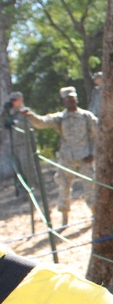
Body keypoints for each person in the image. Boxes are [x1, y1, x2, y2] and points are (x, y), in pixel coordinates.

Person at [21, 87, 99, 226]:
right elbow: (42, 122)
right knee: (63, 187)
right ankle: (65, 218)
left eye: (72, 98)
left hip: (85, 158)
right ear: (63, 102)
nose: (71, 101)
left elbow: (98, 135)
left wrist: (93, 154)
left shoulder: (86, 116)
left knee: (91, 188)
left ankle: (95, 215)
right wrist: (31, 115)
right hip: (66, 159)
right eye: (67, 99)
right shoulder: (59, 118)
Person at [1, 92, 35, 198]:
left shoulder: (26, 111)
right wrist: (4, 111)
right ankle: (22, 192)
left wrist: (15, 123)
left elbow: (30, 125)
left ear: (21, 99)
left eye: (15, 100)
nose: (13, 102)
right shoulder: (10, 113)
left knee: (27, 168)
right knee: (17, 170)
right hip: (13, 144)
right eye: (12, 100)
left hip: (25, 144)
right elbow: (2, 122)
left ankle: (34, 189)